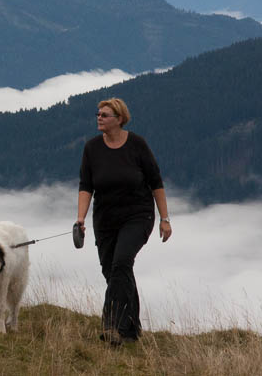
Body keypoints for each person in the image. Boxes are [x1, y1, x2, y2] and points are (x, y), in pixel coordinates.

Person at [76, 98, 172, 345]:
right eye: (98, 113)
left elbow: (156, 182)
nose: (99, 117)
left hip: (138, 216)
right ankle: (132, 329)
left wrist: (165, 218)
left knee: (121, 263)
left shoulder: (137, 145)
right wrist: (80, 219)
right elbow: (86, 186)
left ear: (119, 119)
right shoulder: (92, 148)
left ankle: (112, 327)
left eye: (105, 115)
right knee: (114, 272)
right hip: (105, 219)